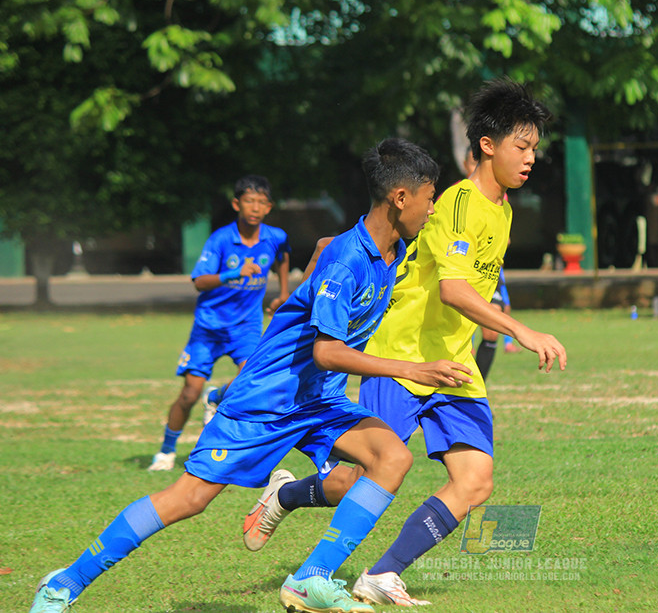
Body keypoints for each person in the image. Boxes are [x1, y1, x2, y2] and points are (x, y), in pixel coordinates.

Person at [30, 138, 474, 613]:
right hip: (268, 398)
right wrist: (412, 368)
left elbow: (330, 249)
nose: (432, 209)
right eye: (430, 198)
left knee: (391, 458)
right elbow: (326, 351)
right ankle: (65, 583)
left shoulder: (392, 249)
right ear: (400, 198)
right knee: (190, 498)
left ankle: (311, 578)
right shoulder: (349, 259)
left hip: (318, 401)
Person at [240, 78, 567, 607]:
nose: (531, 158)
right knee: (365, 476)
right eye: (521, 146)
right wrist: (520, 330)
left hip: (453, 365)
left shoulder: (502, 209)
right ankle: (293, 512)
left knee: (475, 480)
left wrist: (486, 328)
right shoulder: (457, 205)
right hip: (403, 359)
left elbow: (467, 289)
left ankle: (381, 574)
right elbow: (454, 288)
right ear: (487, 145)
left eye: (534, 149)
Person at [149, 175, 291, 472]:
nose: (255, 208)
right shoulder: (221, 239)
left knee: (251, 379)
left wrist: (284, 293)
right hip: (209, 328)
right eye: (249, 201)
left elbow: (283, 255)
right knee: (188, 394)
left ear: (269, 207)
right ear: (236, 204)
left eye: (261, 203)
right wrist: (233, 273)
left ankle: (215, 398)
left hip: (246, 327)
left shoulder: (275, 236)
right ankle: (166, 452)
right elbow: (199, 281)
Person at [460, 146, 519, 380]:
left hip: (489, 271)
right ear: (466, 165)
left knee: (493, 329)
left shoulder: (500, 197)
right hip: (462, 272)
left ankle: (478, 387)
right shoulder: (458, 195)